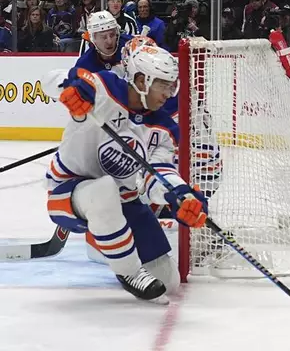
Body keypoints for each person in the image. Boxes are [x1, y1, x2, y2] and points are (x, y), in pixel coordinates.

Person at [42, 45, 208, 304]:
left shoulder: (164, 127)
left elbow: (159, 174)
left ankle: (110, 246)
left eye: (171, 86)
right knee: (104, 188)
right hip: (68, 195)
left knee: (169, 283)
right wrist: (71, 88)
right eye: (163, 85)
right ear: (142, 80)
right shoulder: (103, 89)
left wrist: (180, 195)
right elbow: (50, 79)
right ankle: (129, 272)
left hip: (125, 202)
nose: (169, 94)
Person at [75, 11, 132, 75]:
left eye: (112, 35)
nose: (109, 41)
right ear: (93, 39)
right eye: (103, 37)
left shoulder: (132, 45)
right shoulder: (84, 65)